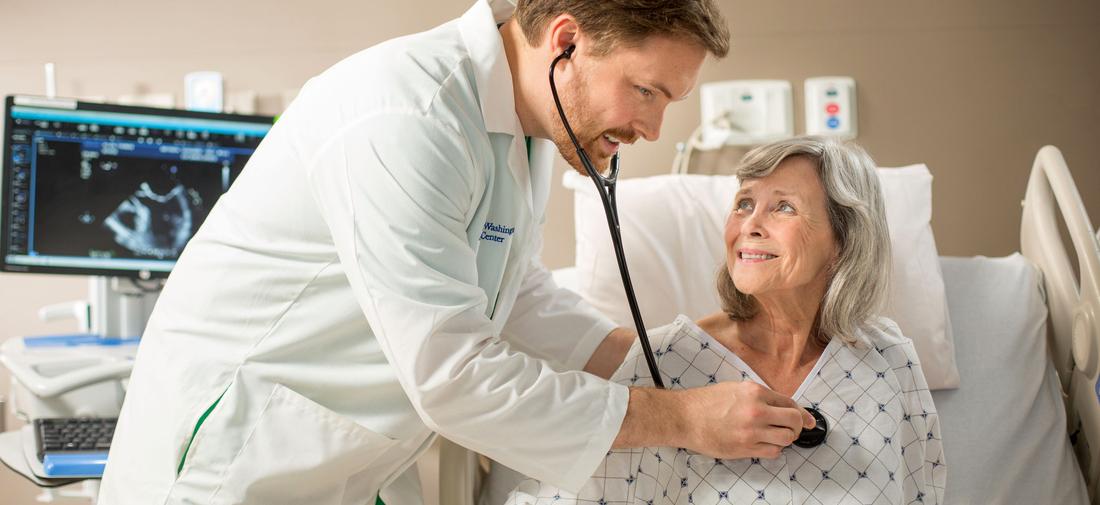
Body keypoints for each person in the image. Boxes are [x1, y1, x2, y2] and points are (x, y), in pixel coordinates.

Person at [98, 2, 817, 504]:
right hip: (233, 464)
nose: (653, 128)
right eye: (646, 91)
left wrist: (670, 351)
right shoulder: (404, 113)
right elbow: (456, 374)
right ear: (565, 41)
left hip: (337, 460)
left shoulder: (523, 127)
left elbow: (511, 292)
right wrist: (685, 417)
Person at [504, 136, 946, 504]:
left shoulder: (888, 361)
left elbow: (922, 491)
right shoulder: (665, 364)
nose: (750, 225)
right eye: (744, 203)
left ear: (843, 239)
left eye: (784, 207)